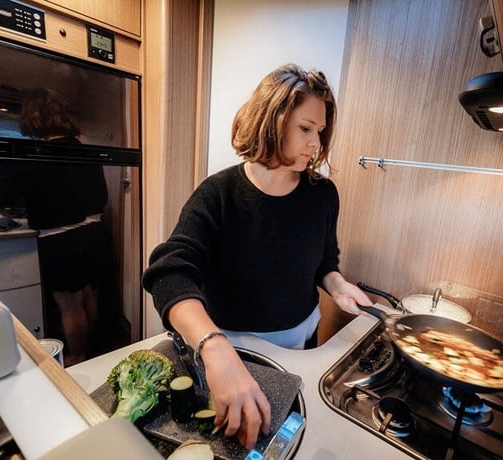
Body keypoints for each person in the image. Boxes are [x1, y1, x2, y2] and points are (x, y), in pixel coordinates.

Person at [142, 64, 372, 448]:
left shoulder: (323, 195)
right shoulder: (218, 194)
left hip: (301, 344)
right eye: (305, 128)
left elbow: (325, 263)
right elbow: (169, 273)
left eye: (320, 131)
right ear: (272, 119)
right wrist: (214, 348)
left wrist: (340, 285)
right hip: (231, 349)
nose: (315, 143)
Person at [19, 88, 110, 367]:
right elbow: (101, 197)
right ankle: (89, 346)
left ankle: (79, 354)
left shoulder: (36, 156)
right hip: (94, 234)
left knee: (69, 304)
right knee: (88, 295)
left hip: (60, 241)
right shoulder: (87, 151)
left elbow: (34, 209)